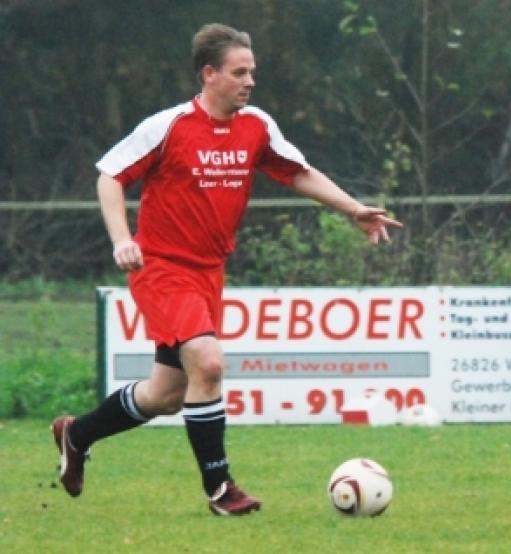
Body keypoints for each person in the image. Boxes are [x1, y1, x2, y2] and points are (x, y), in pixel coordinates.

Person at [50, 23, 403, 516]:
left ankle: (78, 433)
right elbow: (110, 175)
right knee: (209, 364)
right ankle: (221, 490)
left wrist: (352, 209)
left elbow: (296, 170)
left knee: (167, 395)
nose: (250, 81)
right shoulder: (168, 126)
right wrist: (121, 239)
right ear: (209, 74)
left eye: (252, 72)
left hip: (208, 273)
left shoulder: (256, 125)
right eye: (240, 72)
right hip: (163, 269)